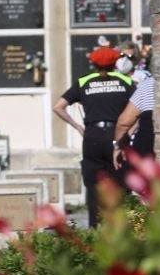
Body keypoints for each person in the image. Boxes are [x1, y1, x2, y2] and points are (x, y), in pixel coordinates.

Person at [53, 45, 135, 226]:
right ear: (115, 62)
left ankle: (94, 227)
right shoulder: (125, 82)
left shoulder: (84, 82)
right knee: (120, 182)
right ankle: (120, 227)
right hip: (117, 134)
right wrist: (130, 130)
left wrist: (77, 126)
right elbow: (141, 108)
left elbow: (58, 107)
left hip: (92, 136)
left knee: (93, 184)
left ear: (93, 64)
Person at [111, 53, 156, 172]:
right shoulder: (145, 78)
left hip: (147, 140)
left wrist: (118, 145)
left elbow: (124, 122)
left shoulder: (148, 84)